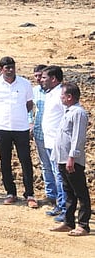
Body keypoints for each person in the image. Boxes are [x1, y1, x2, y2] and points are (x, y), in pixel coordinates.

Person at [0, 56, 37, 208]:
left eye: (12, 67)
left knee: (25, 160)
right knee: (5, 160)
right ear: (1, 69)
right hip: (1, 127)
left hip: (21, 127)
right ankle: (10, 192)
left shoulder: (25, 84)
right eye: (7, 68)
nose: (10, 70)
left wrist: (17, 115)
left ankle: (30, 194)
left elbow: (28, 104)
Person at [50, 82, 90, 236]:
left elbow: (78, 138)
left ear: (69, 97)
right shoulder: (68, 111)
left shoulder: (78, 113)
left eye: (62, 95)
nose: (60, 97)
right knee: (68, 192)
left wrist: (72, 157)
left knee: (80, 192)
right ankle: (68, 222)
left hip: (71, 160)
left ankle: (83, 225)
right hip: (62, 159)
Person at [41, 65, 68, 222]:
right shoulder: (50, 93)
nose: (41, 80)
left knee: (60, 176)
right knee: (55, 173)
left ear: (54, 79)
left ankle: (65, 208)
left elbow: (66, 118)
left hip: (58, 143)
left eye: (44, 77)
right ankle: (60, 205)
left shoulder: (61, 94)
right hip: (49, 141)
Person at [31, 64, 59, 207]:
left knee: (57, 169)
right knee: (46, 166)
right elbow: (30, 108)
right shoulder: (35, 91)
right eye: (36, 76)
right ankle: (51, 195)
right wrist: (30, 123)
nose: (39, 79)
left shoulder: (57, 92)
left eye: (41, 76)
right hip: (40, 133)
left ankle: (61, 200)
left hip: (53, 136)